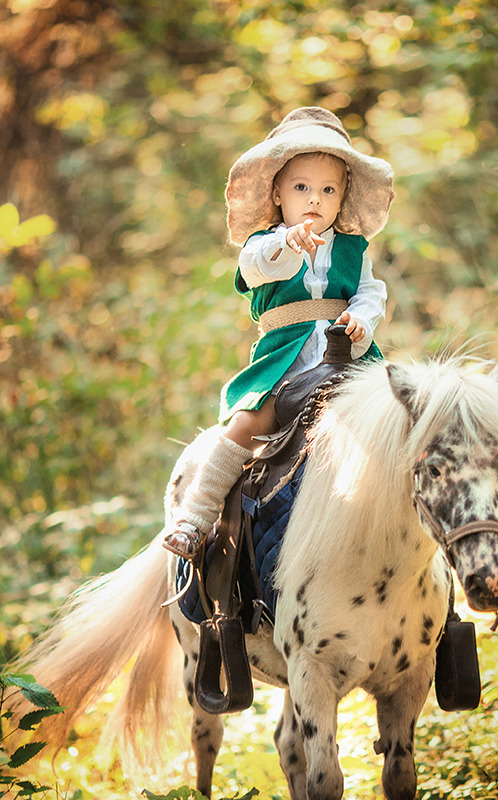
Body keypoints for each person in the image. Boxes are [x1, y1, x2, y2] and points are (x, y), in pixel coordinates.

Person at [163, 106, 395, 558]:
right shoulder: (262, 244)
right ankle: (196, 516)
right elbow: (255, 269)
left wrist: (362, 319)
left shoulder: (353, 249)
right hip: (286, 359)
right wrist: (287, 242)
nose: (315, 199)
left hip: (346, 357)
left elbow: (371, 293)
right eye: (302, 187)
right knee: (249, 422)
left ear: (344, 195)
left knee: (396, 419)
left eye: (328, 189)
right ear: (278, 193)